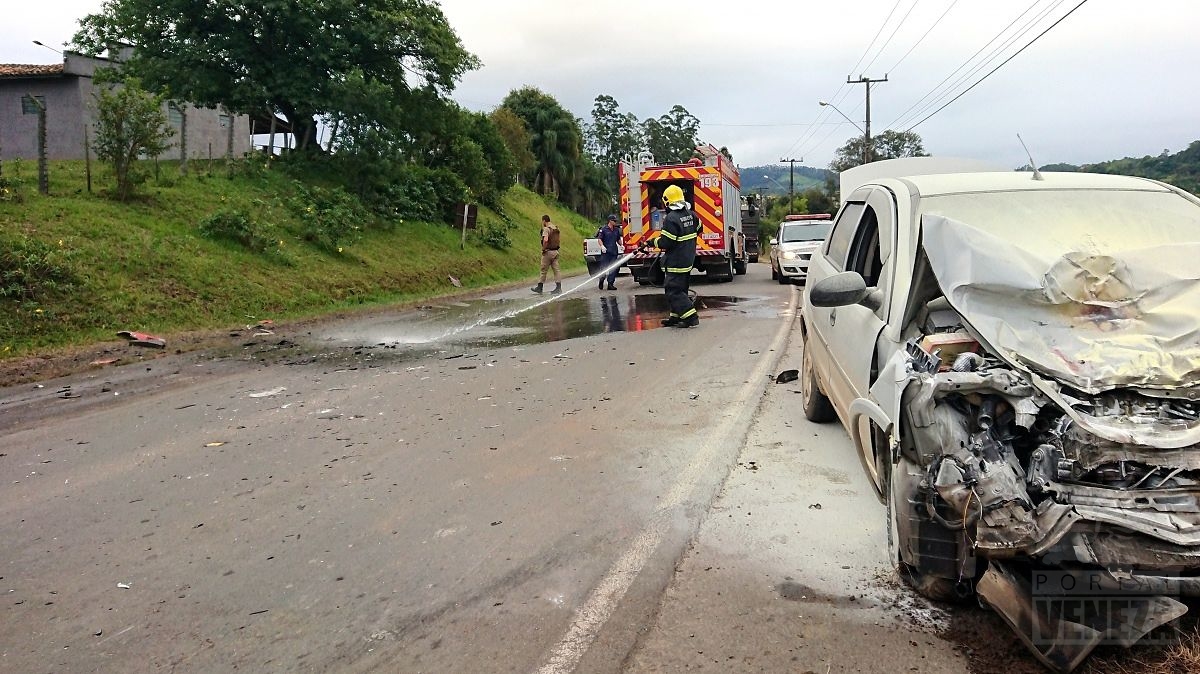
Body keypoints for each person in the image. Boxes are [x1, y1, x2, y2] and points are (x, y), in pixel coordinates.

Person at [654, 184, 699, 327]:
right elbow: (699, 229)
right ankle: (676, 316)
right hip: (688, 259)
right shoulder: (691, 214)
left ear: (667, 201)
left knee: (673, 291)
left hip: (676, 262)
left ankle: (690, 317)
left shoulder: (671, 218)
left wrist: (652, 242)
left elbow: (666, 242)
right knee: (681, 289)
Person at [531, 214, 562, 294]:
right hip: (556, 252)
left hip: (548, 252)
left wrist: (543, 249)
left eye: (542, 221)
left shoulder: (546, 229)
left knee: (543, 270)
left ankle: (540, 287)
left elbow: (545, 240)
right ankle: (558, 288)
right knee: (556, 270)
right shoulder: (555, 228)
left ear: (544, 221)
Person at [596, 214, 622, 290]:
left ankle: (610, 284)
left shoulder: (616, 230)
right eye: (614, 221)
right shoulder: (603, 229)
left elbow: (618, 239)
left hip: (614, 252)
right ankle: (601, 280)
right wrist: (602, 246)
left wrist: (621, 245)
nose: (615, 222)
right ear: (610, 221)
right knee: (604, 267)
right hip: (606, 252)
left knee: (613, 268)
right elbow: (600, 239)